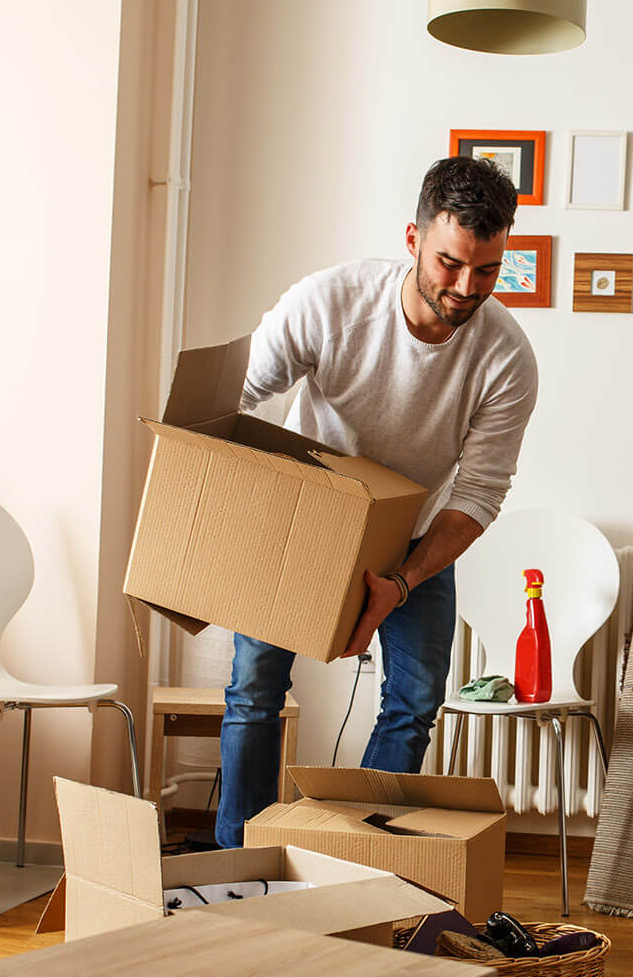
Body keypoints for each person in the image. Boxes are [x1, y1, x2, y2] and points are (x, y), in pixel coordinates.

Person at [216, 156, 539, 848]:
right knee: (254, 692)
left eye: (486, 271)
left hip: (414, 541)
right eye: (450, 263)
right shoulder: (331, 302)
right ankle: (234, 863)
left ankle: (359, 863)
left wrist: (403, 580)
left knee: (414, 705)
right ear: (413, 239)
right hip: (303, 523)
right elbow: (231, 398)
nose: (464, 287)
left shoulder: (507, 358)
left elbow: (480, 491)